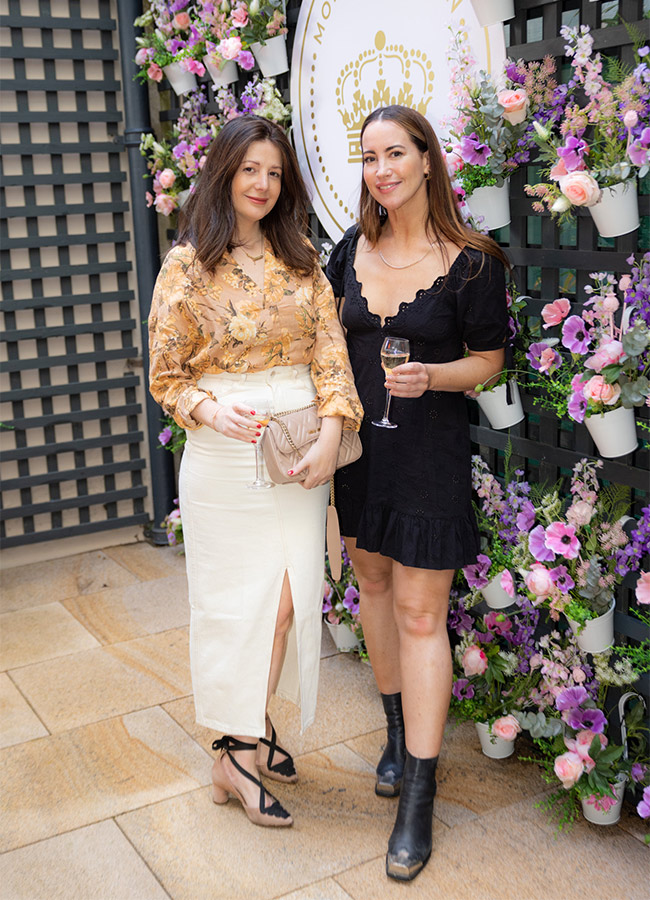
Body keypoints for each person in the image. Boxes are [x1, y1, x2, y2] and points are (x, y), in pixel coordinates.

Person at [149, 116, 362, 829]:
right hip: (227, 456)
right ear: (223, 174)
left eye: (274, 172)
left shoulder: (302, 257)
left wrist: (332, 436)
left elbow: (332, 353)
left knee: (290, 601)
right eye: (250, 170)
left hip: (301, 448)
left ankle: (249, 730)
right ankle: (237, 751)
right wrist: (208, 410)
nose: (263, 184)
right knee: (242, 608)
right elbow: (166, 376)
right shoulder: (187, 265)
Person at [325, 105, 508, 880]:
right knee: (370, 584)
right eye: (369, 157)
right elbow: (325, 348)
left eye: (395, 153)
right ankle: (397, 735)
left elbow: (490, 361)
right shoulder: (348, 251)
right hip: (361, 455)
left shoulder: (471, 262)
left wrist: (433, 375)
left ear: (427, 160)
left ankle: (419, 798)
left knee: (420, 611)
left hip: (427, 455)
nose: (382, 169)